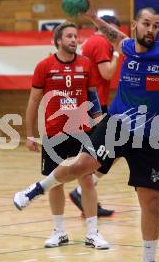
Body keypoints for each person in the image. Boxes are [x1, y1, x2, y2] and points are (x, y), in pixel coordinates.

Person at [14, 0, 159, 262]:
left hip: (148, 135)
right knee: (84, 165)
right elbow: (110, 31)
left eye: (156, 25)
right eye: (146, 24)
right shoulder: (127, 46)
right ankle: (36, 189)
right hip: (116, 125)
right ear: (135, 26)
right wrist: (92, 15)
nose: (151, 30)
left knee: (151, 200)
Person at [22, 21, 109, 249]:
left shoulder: (86, 64)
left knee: (87, 179)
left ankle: (92, 233)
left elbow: (93, 98)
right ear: (58, 40)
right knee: (56, 183)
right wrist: (30, 134)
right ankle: (59, 232)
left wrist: (99, 123)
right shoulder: (45, 66)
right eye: (69, 36)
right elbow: (33, 101)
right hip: (54, 133)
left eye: (76, 36)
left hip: (82, 132)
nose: (74, 40)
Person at [69, 15, 122, 217]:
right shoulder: (101, 42)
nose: (117, 37)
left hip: (90, 105)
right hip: (94, 106)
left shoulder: (92, 41)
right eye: (115, 33)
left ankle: (86, 196)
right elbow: (107, 73)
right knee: (111, 149)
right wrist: (117, 54)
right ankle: (82, 192)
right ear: (108, 29)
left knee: (103, 151)